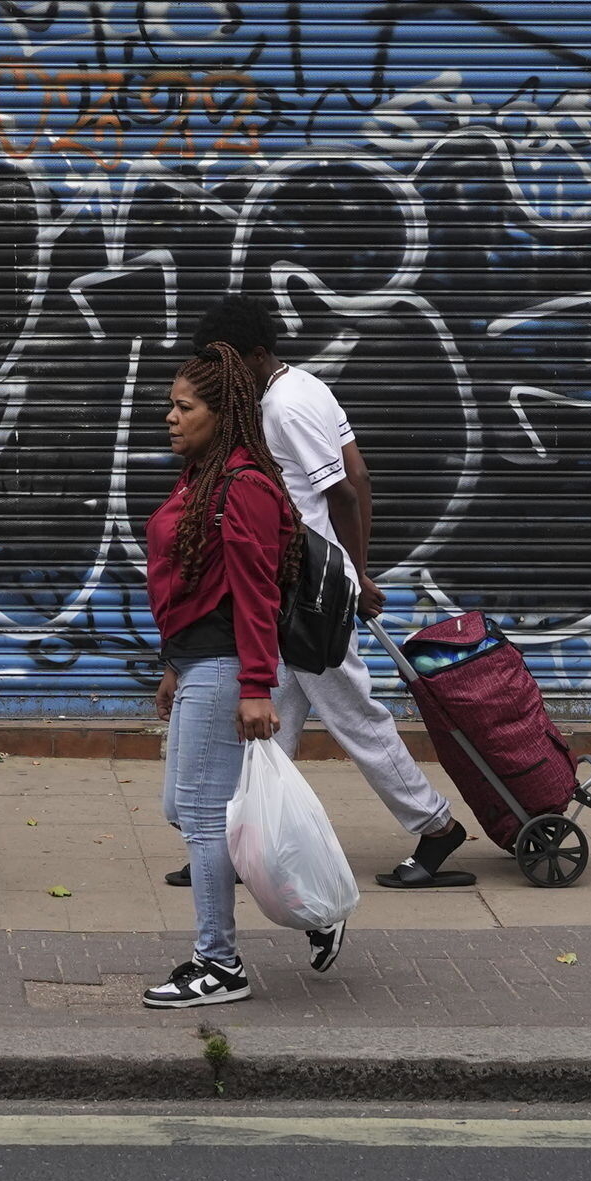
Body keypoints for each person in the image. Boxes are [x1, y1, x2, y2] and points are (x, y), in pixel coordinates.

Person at [188, 298, 475, 890]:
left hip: (315, 596)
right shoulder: (304, 386)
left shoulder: (284, 407)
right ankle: (242, 847)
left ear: (258, 356)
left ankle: (438, 825)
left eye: (230, 364)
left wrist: (354, 575)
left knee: (357, 719)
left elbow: (343, 492)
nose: (222, 378)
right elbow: (360, 471)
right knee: (269, 727)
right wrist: (354, 571)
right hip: (296, 591)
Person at [140, 348, 344, 1009]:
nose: (169, 417)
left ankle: (219, 963)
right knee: (189, 809)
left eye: (184, 406)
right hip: (198, 661)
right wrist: (172, 665)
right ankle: (314, 906)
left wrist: (256, 685)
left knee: (202, 816)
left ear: (223, 415)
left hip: (229, 665)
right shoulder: (200, 478)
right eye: (170, 404)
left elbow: (255, 594)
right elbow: (189, 584)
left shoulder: (245, 487)